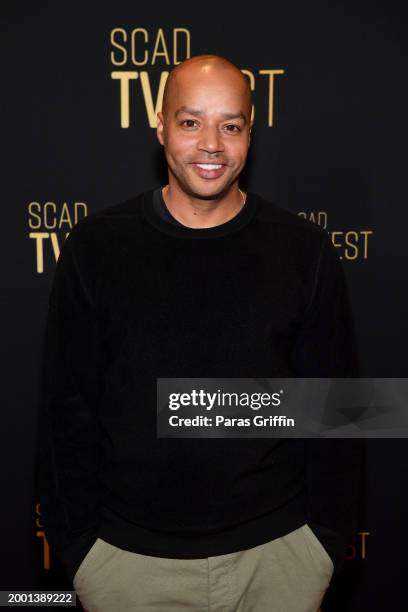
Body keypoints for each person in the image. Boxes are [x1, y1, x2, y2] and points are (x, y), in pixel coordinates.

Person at [37, 54, 364, 611]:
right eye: (191, 122)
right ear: (160, 126)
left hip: (279, 562)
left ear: (249, 133)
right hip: (127, 568)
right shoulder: (96, 248)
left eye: (230, 125)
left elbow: (341, 412)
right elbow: (65, 412)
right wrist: (84, 554)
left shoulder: (304, 251)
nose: (211, 143)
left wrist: (322, 548)